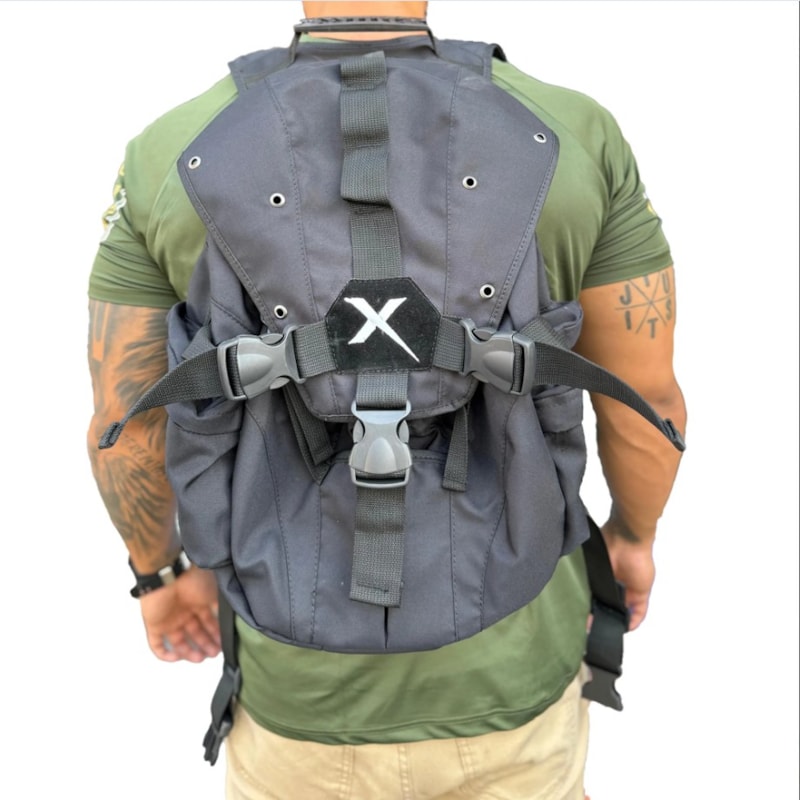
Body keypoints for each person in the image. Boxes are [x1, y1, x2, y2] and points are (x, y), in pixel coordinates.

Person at [86, 2, 687, 798]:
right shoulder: (575, 133)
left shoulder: (170, 150)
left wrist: (160, 575)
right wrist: (632, 538)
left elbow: (124, 421)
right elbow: (648, 400)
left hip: (297, 695)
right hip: (515, 671)